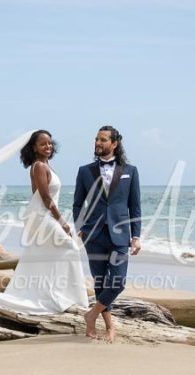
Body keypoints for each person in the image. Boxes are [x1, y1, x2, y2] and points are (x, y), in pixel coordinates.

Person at [0, 130, 89, 314]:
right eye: (43, 144)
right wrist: (62, 222)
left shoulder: (45, 165)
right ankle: (65, 296)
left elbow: (36, 195)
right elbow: (45, 197)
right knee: (70, 247)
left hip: (40, 216)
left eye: (50, 143)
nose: (48, 146)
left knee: (46, 256)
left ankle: (53, 293)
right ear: (34, 147)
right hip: (42, 216)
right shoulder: (38, 166)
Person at [73, 125, 142, 342]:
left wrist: (136, 236)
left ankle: (91, 315)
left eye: (103, 140)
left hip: (121, 236)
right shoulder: (85, 171)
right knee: (101, 283)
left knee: (118, 282)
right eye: (96, 139)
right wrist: (81, 229)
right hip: (94, 236)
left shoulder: (131, 171)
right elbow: (77, 205)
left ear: (114, 144)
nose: (98, 143)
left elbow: (135, 206)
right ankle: (109, 326)